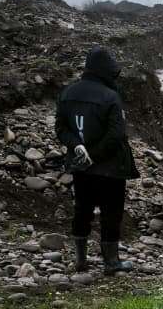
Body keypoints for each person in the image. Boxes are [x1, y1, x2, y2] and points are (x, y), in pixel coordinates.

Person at [55, 46, 139, 274]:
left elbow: (61, 129)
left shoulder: (67, 93)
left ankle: (80, 259)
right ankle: (111, 262)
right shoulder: (110, 96)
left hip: (81, 167)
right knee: (111, 213)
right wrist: (96, 155)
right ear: (105, 70)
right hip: (109, 169)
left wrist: (78, 147)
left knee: (82, 209)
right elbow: (116, 135)